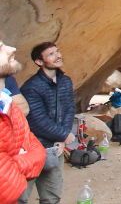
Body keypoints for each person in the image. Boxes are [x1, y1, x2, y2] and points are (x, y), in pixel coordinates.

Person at [19, 42, 75, 204]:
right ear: (39, 61)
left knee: (52, 196)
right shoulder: (32, 87)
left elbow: (69, 109)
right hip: (32, 148)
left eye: (58, 51)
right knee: (19, 196)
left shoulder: (66, 81)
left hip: (55, 147)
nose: (58, 56)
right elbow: (36, 120)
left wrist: (62, 139)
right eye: (51, 54)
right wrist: (64, 134)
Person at [0, 40, 45, 204]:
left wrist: (13, 162)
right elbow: (5, 185)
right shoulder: (33, 86)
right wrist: (21, 159)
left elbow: (36, 148)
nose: (13, 48)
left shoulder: (9, 105)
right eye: (0, 48)